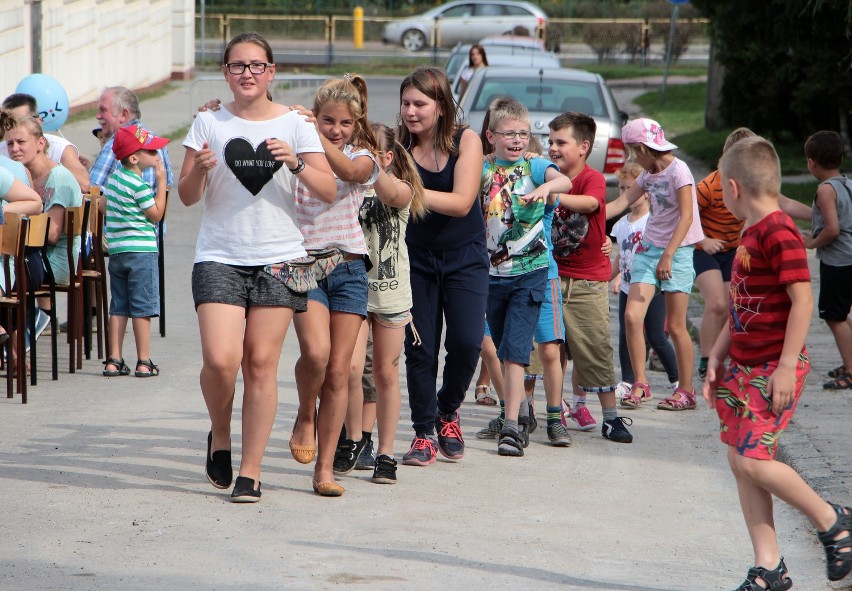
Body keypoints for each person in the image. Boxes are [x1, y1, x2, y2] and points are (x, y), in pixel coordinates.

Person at [178, 32, 335, 503]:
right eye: (237, 65)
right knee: (222, 361)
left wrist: (297, 165)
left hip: (280, 257)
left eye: (256, 65)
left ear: (271, 72)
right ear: (225, 72)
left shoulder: (296, 124)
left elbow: (328, 190)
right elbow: (185, 197)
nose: (247, 73)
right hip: (219, 255)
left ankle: (251, 472)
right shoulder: (208, 121)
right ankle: (220, 434)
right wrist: (200, 170)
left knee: (262, 364)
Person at [703, 135, 852, 590]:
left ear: (733, 188)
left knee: (752, 460)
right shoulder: (751, 230)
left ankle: (835, 522)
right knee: (740, 458)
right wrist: (717, 354)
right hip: (743, 366)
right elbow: (740, 303)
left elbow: (803, 300)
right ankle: (769, 567)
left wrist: (787, 365)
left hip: (773, 366)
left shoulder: (779, 230)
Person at [289, 75, 401, 496]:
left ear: (357, 126)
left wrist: (317, 136)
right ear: (316, 116)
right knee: (316, 356)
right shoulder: (298, 153)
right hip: (306, 267)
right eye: (327, 121)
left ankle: (324, 470)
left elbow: (351, 171)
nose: (336, 129)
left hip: (351, 269)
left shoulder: (363, 158)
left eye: (345, 123)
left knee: (341, 371)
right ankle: (305, 414)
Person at [398, 66, 486, 466]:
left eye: (420, 103)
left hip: (465, 257)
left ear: (441, 105)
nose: (411, 112)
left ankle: (448, 410)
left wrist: (405, 191)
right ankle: (423, 431)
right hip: (414, 259)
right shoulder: (397, 148)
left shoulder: (466, 140)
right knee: (420, 349)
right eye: (405, 103)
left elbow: (462, 201)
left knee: (467, 342)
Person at [478, 97, 572, 456]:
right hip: (490, 274)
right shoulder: (484, 171)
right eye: (508, 134)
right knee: (501, 348)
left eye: (523, 133)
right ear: (491, 136)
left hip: (530, 273)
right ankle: (519, 413)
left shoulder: (535, 167)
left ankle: (513, 427)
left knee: (517, 351)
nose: (517, 139)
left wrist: (547, 188)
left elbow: (563, 180)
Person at [342, 121, 427, 484]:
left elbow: (391, 194)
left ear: (387, 157)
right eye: (355, 148)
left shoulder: (402, 189)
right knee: (348, 368)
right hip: (355, 291)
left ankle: (387, 453)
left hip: (391, 294)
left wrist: (369, 166)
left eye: (368, 149)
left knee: (386, 373)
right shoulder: (347, 187)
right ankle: (352, 440)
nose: (359, 155)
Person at [606, 118, 704, 412]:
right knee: (632, 317)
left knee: (675, 326)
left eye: (634, 153)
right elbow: (618, 204)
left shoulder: (679, 171)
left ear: (644, 148)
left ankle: (686, 390)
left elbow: (687, 217)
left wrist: (669, 255)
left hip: (678, 250)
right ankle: (640, 383)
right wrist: (586, 210)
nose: (633, 159)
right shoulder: (648, 176)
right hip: (649, 249)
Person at [548, 111, 633, 443]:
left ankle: (610, 418)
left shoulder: (591, 177)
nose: (553, 148)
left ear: (583, 146)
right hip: (550, 276)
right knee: (540, 353)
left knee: (595, 348)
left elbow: (592, 203)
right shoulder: (546, 174)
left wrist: (552, 194)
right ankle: (522, 413)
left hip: (586, 282)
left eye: (561, 142)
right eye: (550, 141)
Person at [100, 125, 169, 378]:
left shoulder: (115, 180)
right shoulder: (139, 185)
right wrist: (161, 183)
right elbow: (156, 214)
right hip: (142, 252)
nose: (157, 153)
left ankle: (114, 360)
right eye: (151, 150)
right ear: (134, 158)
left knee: (118, 305)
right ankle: (143, 360)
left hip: (118, 252)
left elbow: (102, 205)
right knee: (142, 307)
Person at [6, 115, 82, 342]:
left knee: (5, 278)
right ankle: (15, 340)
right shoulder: (21, 178)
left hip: (55, 261)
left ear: (40, 144)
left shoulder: (58, 178)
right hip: (32, 255)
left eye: (21, 142)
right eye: (10, 144)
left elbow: (51, 235)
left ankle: (24, 329)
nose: (15, 149)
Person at [610, 163, 679, 404]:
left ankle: (677, 380)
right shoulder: (621, 225)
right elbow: (622, 255)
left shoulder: (653, 221)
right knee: (626, 333)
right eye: (621, 188)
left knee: (656, 335)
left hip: (651, 287)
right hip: (629, 287)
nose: (623, 194)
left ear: (646, 192)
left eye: (629, 188)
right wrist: (612, 276)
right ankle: (628, 380)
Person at [692, 128, 755, 380]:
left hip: (730, 251)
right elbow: (685, 217)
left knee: (732, 306)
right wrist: (703, 240)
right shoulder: (708, 186)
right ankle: (707, 359)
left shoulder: (748, 187)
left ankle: (722, 357)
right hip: (703, 250)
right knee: (716, 303)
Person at [801, 130, 852, 390]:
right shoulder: (846, 183)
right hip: (849, 257)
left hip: (838, 261)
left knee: (834, 316)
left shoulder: (824, 190)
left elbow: (832, 229)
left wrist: (811, 243)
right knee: (842, 315)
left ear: (811, 162)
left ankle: (851, 371)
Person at [89, 86, 173, 196]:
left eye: (103, 110)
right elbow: (168, 184)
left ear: (124, 114)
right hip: (152, 211)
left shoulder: (116, 144)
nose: (98, 116)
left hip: (124, 213)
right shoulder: (155, 140)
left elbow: (92, 193)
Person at [1, 93, 90, 192]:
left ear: (38, 121)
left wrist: (46, 168)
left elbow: (84, 185)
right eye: (8, 122)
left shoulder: (59, 147)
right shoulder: (2, 150)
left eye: (23, 121)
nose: (14, 148)